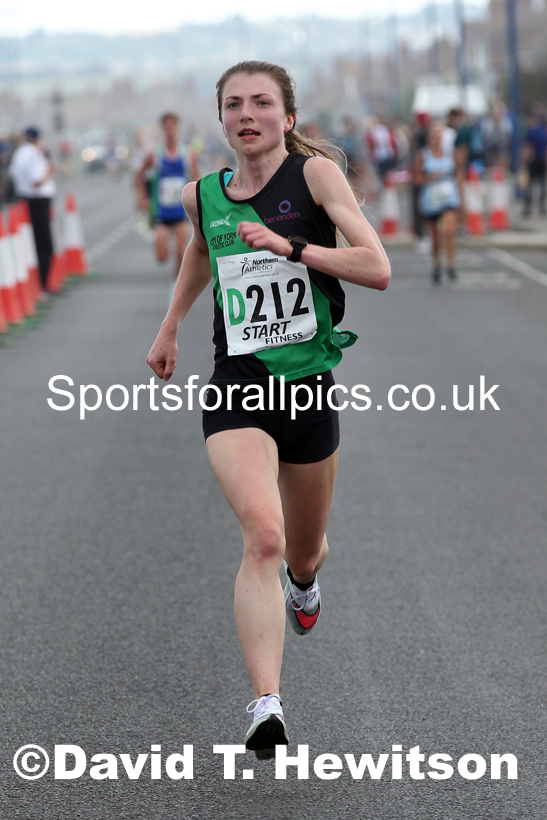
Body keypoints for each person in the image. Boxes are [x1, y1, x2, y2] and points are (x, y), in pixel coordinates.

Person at [146, 60, 390, 759]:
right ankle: (265, 705)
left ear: (286, 117)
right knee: (263, 535)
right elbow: (201, 251)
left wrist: (292, 247)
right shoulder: (203, 196)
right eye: (232, 104)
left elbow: (376, 268)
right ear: (220, 119)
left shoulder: (314, 180)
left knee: (304, 551)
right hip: (236, 387)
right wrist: (169, 327)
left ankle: (305, 586)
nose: (245, 114)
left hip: (307, 387)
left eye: (260, 103)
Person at [137, 113, 199, 277]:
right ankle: (162, 243)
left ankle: (176, 285)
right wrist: (142, 197)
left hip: (181, 211)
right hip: (161, 211)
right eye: (167, 126)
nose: (170, 129)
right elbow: (139, 176)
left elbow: (196, 177)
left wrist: (198, 199)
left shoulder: (187, 153)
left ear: (178, 128)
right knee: (162, 257)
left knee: (181, 254)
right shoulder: (155, 154)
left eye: (173, 126)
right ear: (162, 129)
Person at [414, 120, 462, 284]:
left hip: (449, 197)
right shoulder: (423, 155)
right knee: (435, 235)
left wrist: (461, 197)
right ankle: (437, 265)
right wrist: (430, 177)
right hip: (431, 199)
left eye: (439, 136)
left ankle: (451, 264)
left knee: (449, 231)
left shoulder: (452, 153)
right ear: (429, 138)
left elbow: (459, 174)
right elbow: (417, 178)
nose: (437, 139)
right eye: (434, 136)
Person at [8, 126, 55, 290]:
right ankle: (44, 282)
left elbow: (13, 175)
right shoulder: (33, 153)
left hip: (24, 200)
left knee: (30, 242)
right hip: (38, 201)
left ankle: (35, 284)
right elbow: (37, 181)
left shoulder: (19, 153)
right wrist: (50, 171)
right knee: (44, 244)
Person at [522, 112, 547, 217]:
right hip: (542, 160)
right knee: (542, 184)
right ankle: (542, 207)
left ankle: (528, 208)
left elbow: (528, 148)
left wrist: (525, 161)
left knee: (530, 184)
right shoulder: (545, 132)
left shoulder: (532, 132)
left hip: (533, 160)